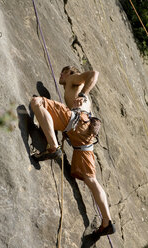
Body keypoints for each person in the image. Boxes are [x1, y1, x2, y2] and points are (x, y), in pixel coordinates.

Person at [30, 66, 116, 237]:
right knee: (91, 179)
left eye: (63, 71)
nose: (60, 75)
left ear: (70, 73)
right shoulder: (75, 89)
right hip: (86, 136)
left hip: (77, 120)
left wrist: (82, 94)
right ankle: (107, 221)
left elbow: (94, 74)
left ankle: (53, 147)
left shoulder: (73, 78)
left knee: (36, 102)